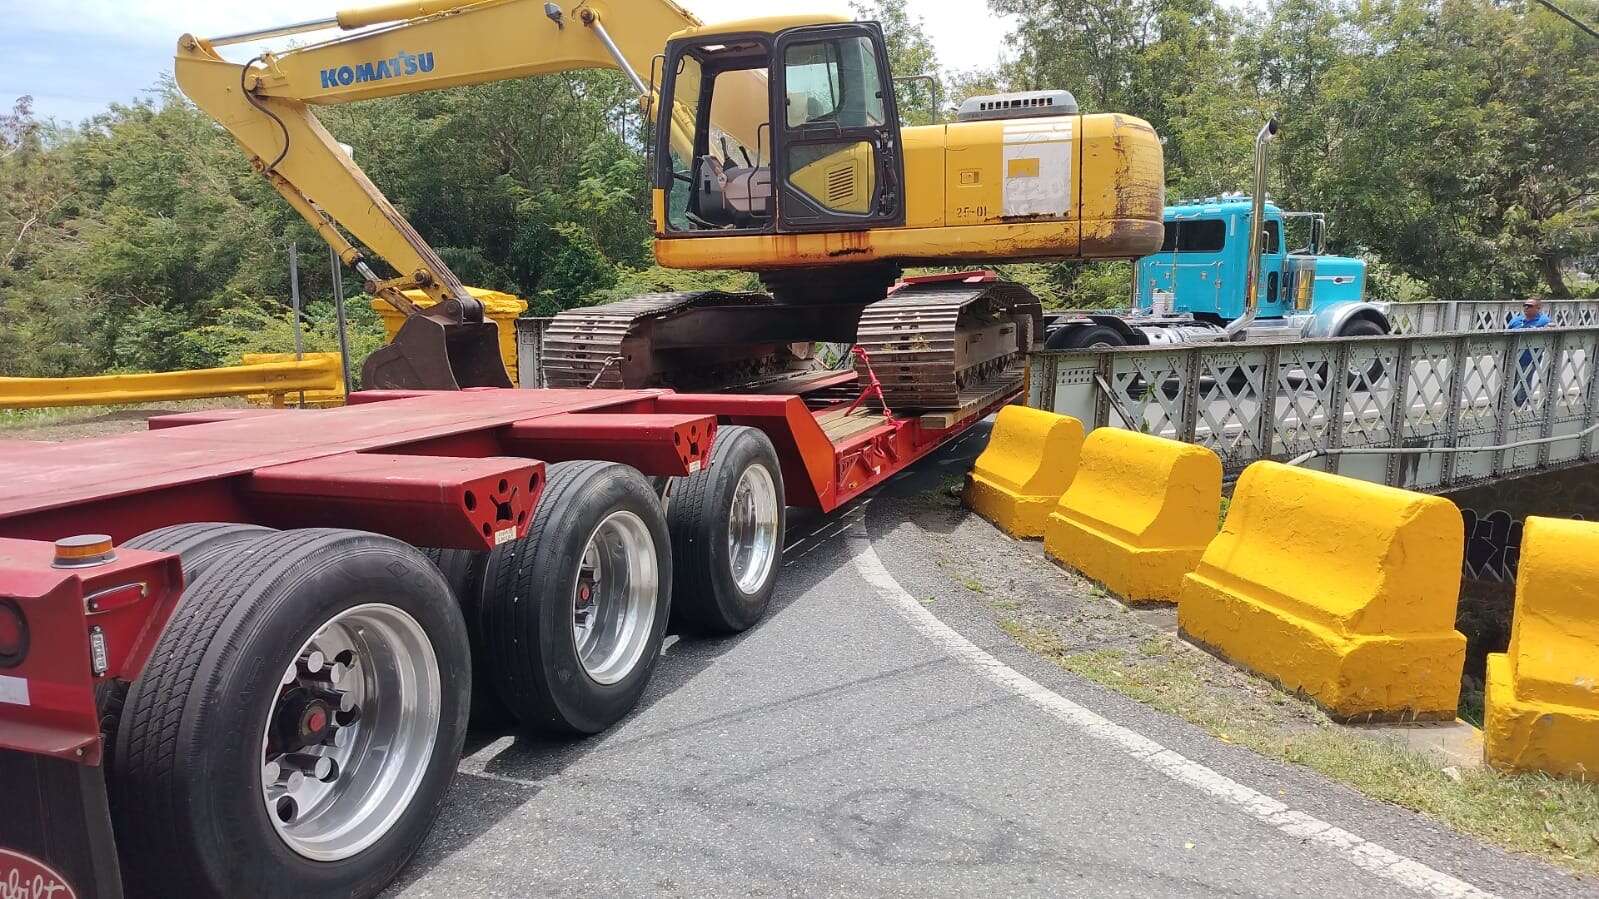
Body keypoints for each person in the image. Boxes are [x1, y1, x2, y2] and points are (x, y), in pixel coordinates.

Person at [1508, 299, 1551, 409]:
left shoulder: (1544, 321)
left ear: (1538, 308)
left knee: (1523, 382)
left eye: (1530, 306)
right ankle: (1511, 407)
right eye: (1525, 305)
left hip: (1530, 358)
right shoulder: (1516, 321)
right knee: (1510, 382)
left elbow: (1550, 338)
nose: (1526, 308)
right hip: (1513, 357)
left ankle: (1521, 408)